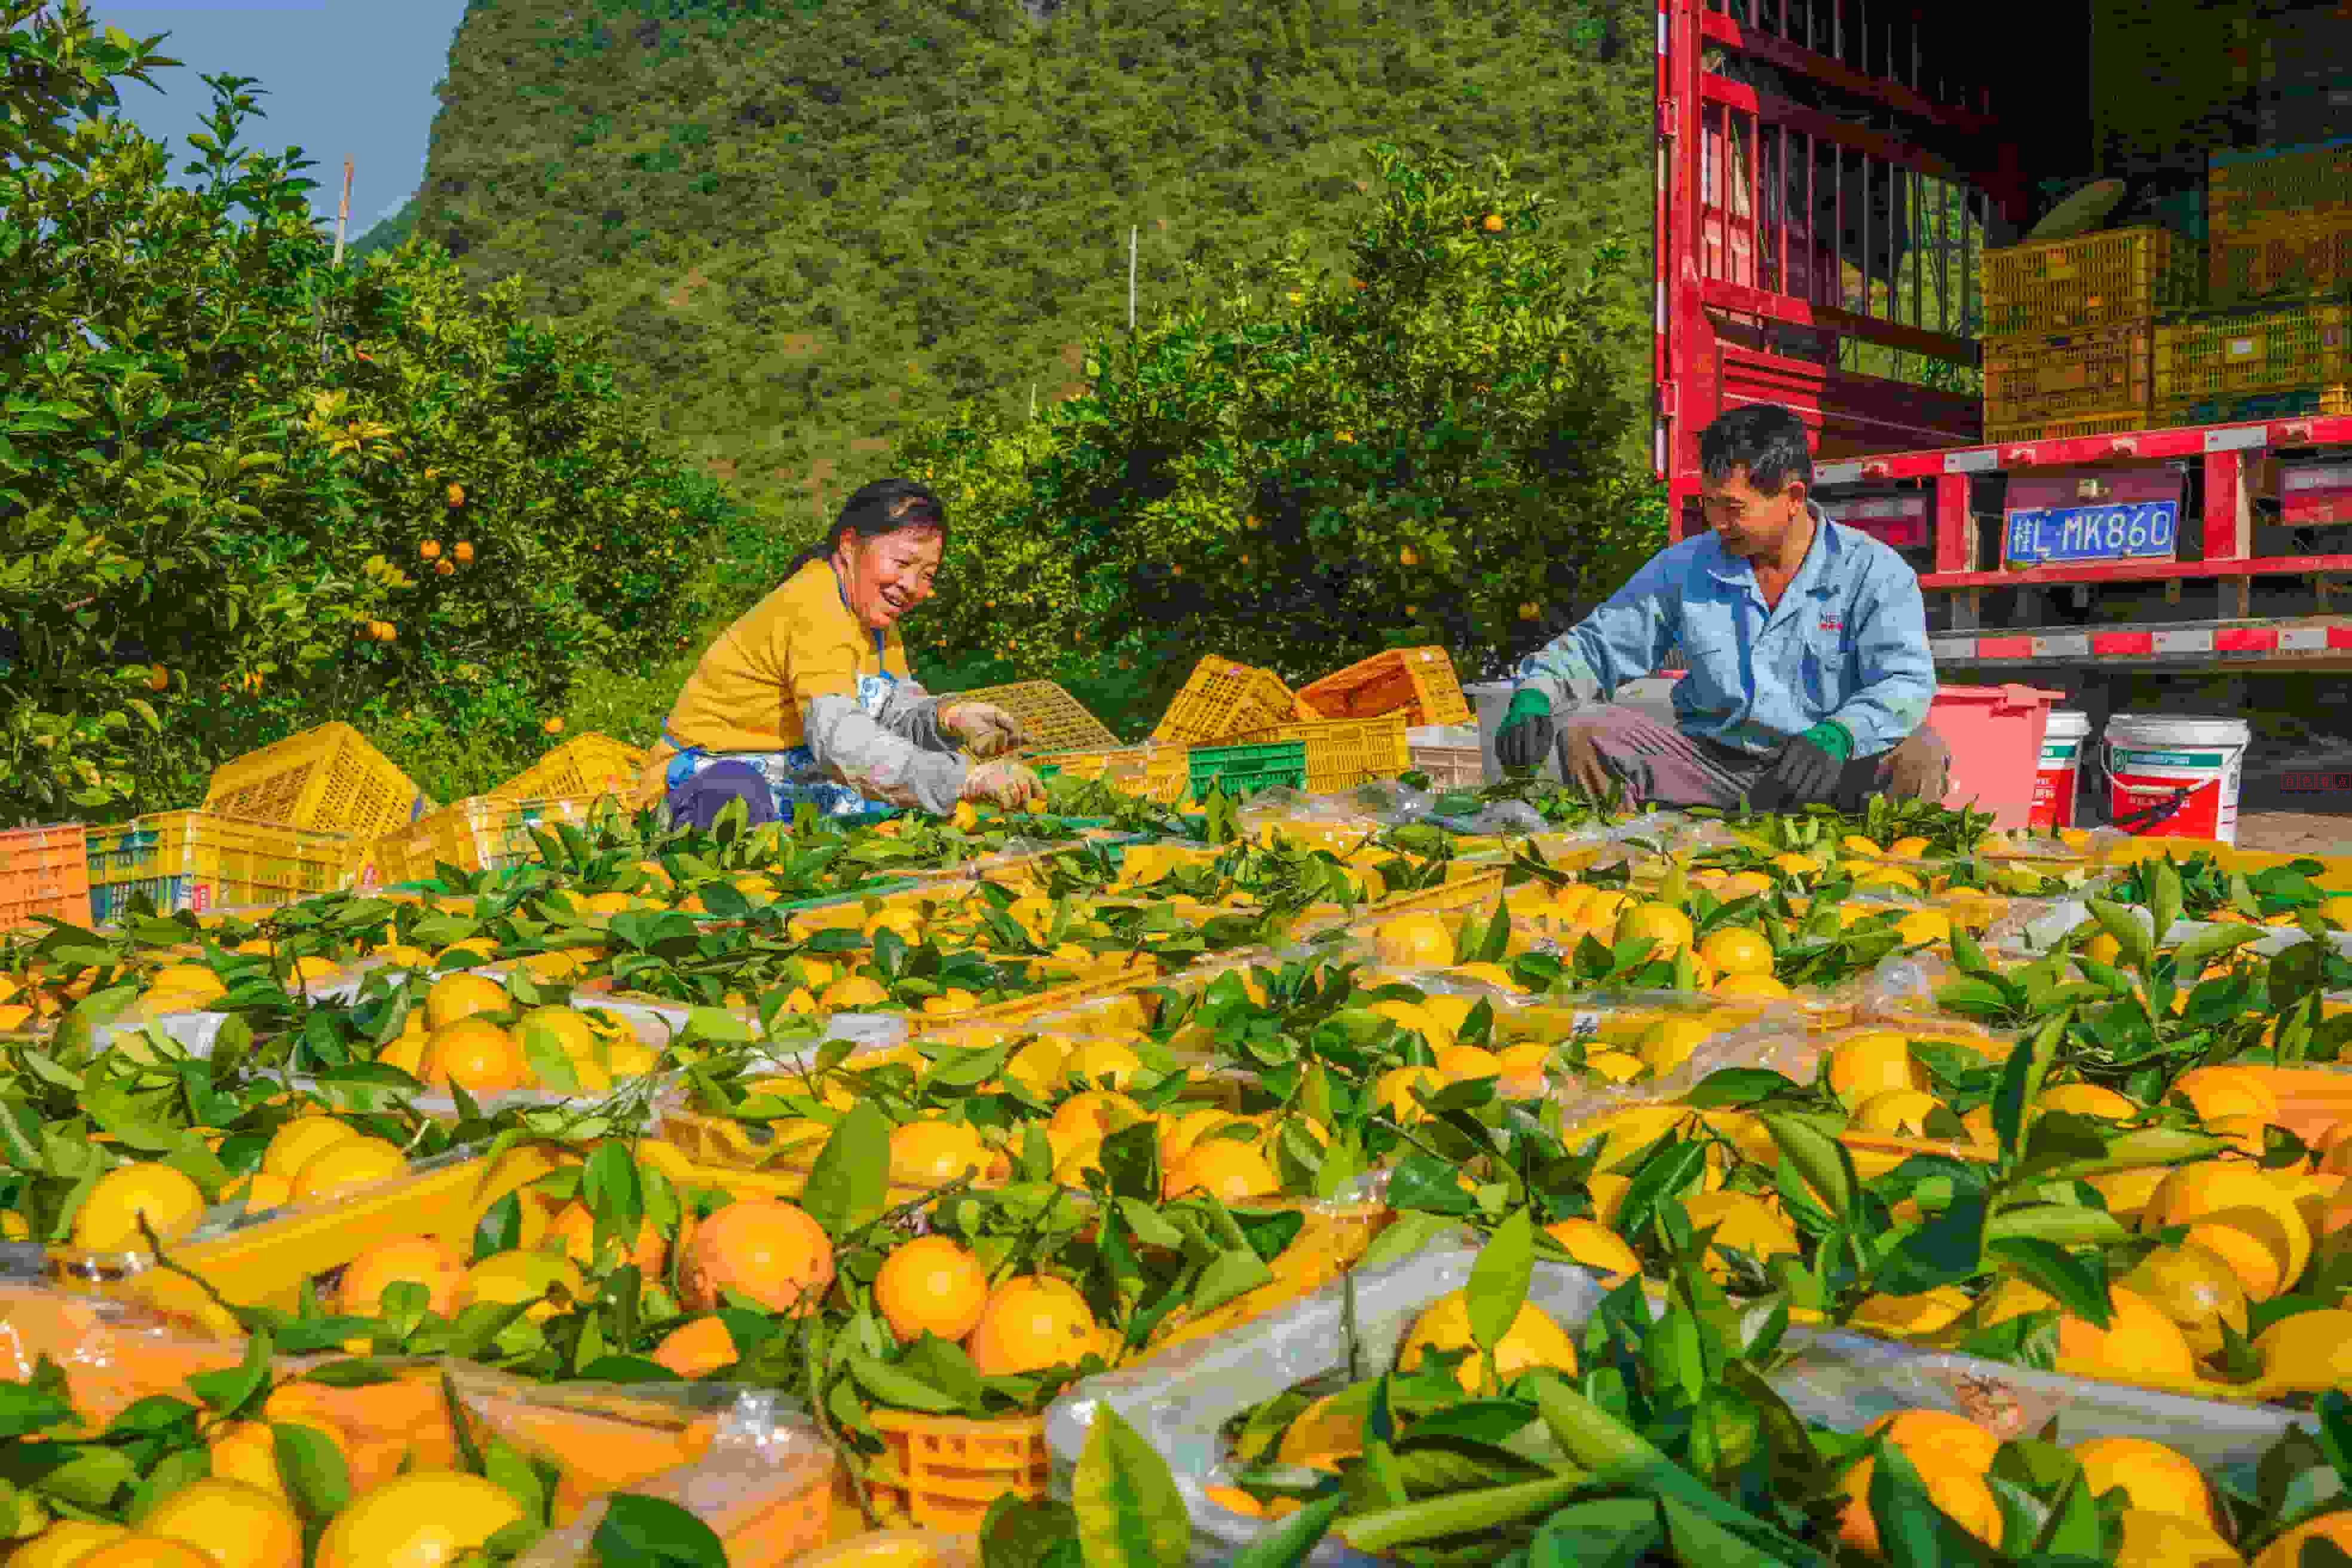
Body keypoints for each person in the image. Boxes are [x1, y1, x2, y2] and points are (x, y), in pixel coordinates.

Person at [1494, 403, 1947, 812]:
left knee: (1919, 753)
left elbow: (1904, 681)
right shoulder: (1684, 567)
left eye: (1733, 508)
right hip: (1715, 766)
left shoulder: (1874, 572)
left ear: (1792, 499)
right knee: (1588, 732)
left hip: (1826, 770)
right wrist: (1537, 692)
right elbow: (1599, 647)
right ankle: (1627, 865)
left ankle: (1884, 877)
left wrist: (1840, 734)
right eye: (1709, 504)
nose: (1717, 523)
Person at [632, 479, 1043, 828]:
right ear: (849, 545)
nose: (911, 585)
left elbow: (891, 708)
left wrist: (949, 716)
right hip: (707, 777)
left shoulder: (874, 619)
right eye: (902, 562)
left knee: (908, 794)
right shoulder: (813, 606)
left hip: (794, 773)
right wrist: (963, 780)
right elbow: (841, 742)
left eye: (927, 575)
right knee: (734, 802)